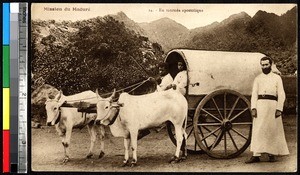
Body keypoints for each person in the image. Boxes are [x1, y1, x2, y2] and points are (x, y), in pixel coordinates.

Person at [245, 56, 289, 163]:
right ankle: (256, 155)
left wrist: (279, 108)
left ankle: (271, 154)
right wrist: (254, 107)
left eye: (266, 64)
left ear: (270, 65)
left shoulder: (277, 78)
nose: (264, 67)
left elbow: (281, 94)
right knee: (258, 129)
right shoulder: (258, 79)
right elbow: (254, 94)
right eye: (262, 65)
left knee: (271, 129)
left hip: (272, 105)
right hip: (260, 106)